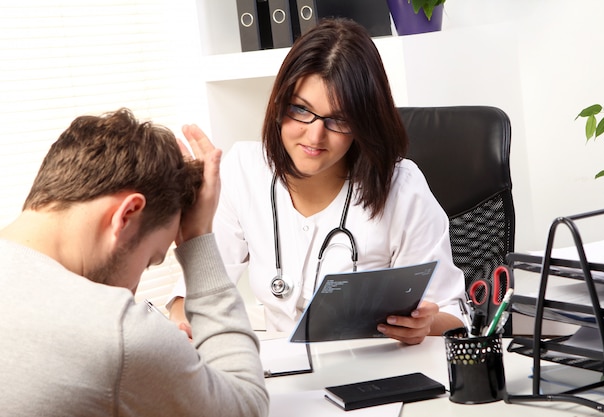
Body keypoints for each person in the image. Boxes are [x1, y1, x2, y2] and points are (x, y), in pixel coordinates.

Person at [169, 18, 465, 345]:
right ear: (280, 104)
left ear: (363, 122)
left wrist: (424, 324)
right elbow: (194, 293)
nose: (314, 135)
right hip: (284, 379)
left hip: (374, 375)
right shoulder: (243, 170)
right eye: (301, 110)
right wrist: (182, 322)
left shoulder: (401, 187)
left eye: (338, 119)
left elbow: (452, 311)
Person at [0, 109, 269, 416]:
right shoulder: (114, 330)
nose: (132, 290)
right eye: (150, 261)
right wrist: (198, 239)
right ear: (127, 214)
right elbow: (246, 407)